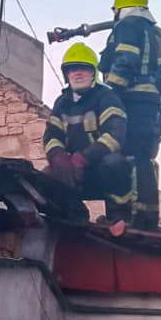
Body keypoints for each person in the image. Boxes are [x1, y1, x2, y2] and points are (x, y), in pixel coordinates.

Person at [97, 0, 161, 229]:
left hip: (129, 103)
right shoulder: (155, 34)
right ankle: (145, 218)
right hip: (150, 110)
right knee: (143, 160)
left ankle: (124, 217)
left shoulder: (127, 26)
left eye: (115, 0)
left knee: (123, 158)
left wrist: (108, 96)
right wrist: (156, 102)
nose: (112, 6)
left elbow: (125, 61)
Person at [43, 43, 132, 231]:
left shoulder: (106, 97)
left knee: (114, 162)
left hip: (101, 171)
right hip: (75, 174)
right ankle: (73, 216)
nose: (77, 73)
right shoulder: (62, 103)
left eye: (83, 68)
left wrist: (83, 158)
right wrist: (58, 157)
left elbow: (115, 134)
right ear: (66, 75)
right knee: (47, 175)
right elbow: (51, 136)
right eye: (72, 69)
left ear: (93, 73)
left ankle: (118, 218)